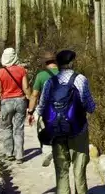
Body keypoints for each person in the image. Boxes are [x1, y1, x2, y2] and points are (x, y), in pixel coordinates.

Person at [37, 49, 96, 194]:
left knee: (61, 171)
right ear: (71, 63)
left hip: (57, 131)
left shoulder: (50, 82)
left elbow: (41, 107)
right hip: (78, 131)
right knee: (79, 170)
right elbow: (90, 107)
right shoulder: (80, 79)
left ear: (58, 63)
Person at [0, 47, 30, 163]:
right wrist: (30, 99)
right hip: (20, 101)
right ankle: (19, 155)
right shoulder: (21, 70)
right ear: (15, 57)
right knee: (18, 128)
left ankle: (9, 153)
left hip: (6, 102)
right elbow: (26, 87)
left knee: (7, 128)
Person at [27, 51, 59, 167]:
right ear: (56, 61)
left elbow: (34, 95)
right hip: (64, 108)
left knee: (43, 130)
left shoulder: (41, 75)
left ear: (45, 62)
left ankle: (47, 151)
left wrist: (30, 112)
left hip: (47, 109)